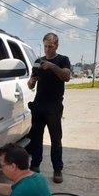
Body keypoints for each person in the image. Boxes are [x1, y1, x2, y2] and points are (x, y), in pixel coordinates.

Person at [26, 33, 71, 183]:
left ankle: (57, 169)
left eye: (50, 47)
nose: (47, 49)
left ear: (56, 46)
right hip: (38, 105)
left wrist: (51, 66)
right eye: (45, 46)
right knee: (36, 138)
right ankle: (35, 165)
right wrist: (31, 81)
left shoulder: (63, 60)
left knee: (55, 139)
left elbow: (66, 76)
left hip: (54, 106)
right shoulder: (38, 61)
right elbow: (31, 84)